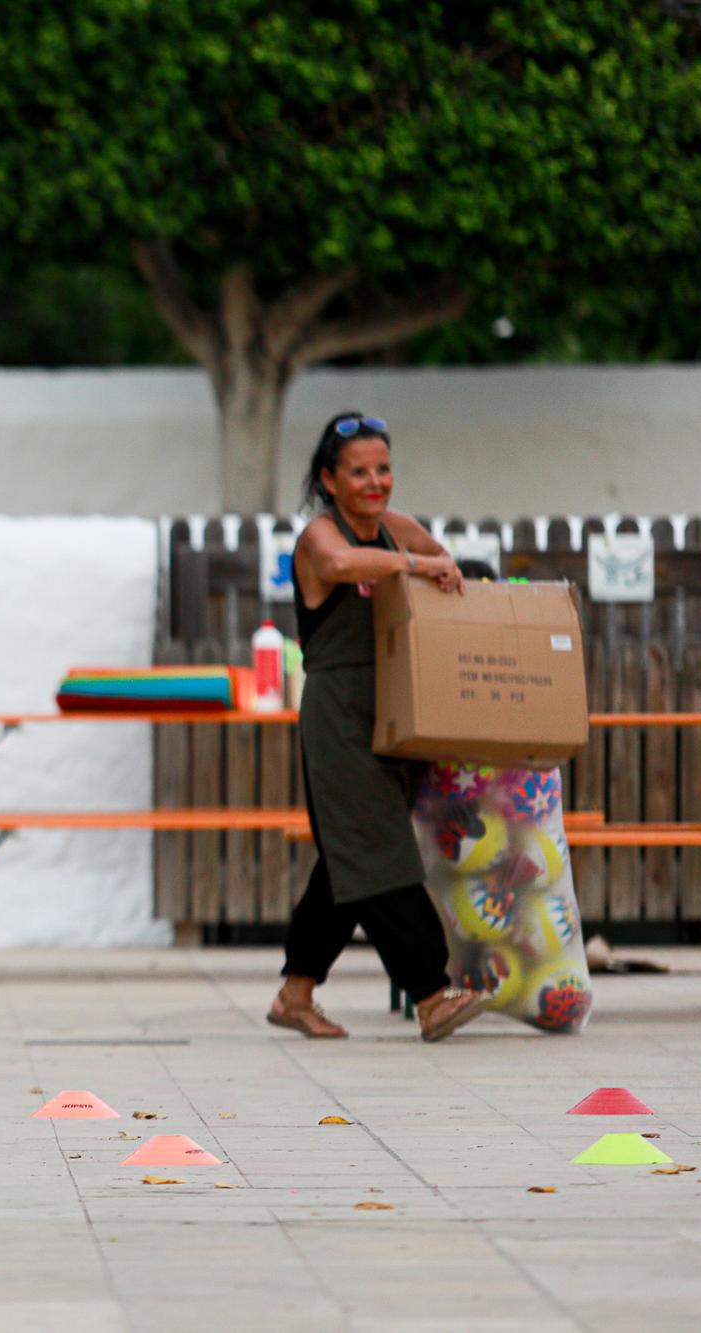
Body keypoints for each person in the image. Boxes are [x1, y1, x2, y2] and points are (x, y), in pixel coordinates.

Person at [267, 412, 489, 1043]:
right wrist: (414, 568)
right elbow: (341, 565)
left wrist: (440, 565)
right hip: (338, 716)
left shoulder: (395, 530)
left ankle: (295, 994)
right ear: (329, 480)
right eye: (358, 472)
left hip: (393, 711)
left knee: (347, 862)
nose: (375, 482)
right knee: (381, 854)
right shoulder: (319, 536)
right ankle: (431, 994)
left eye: (383, 469)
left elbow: (438, 556)